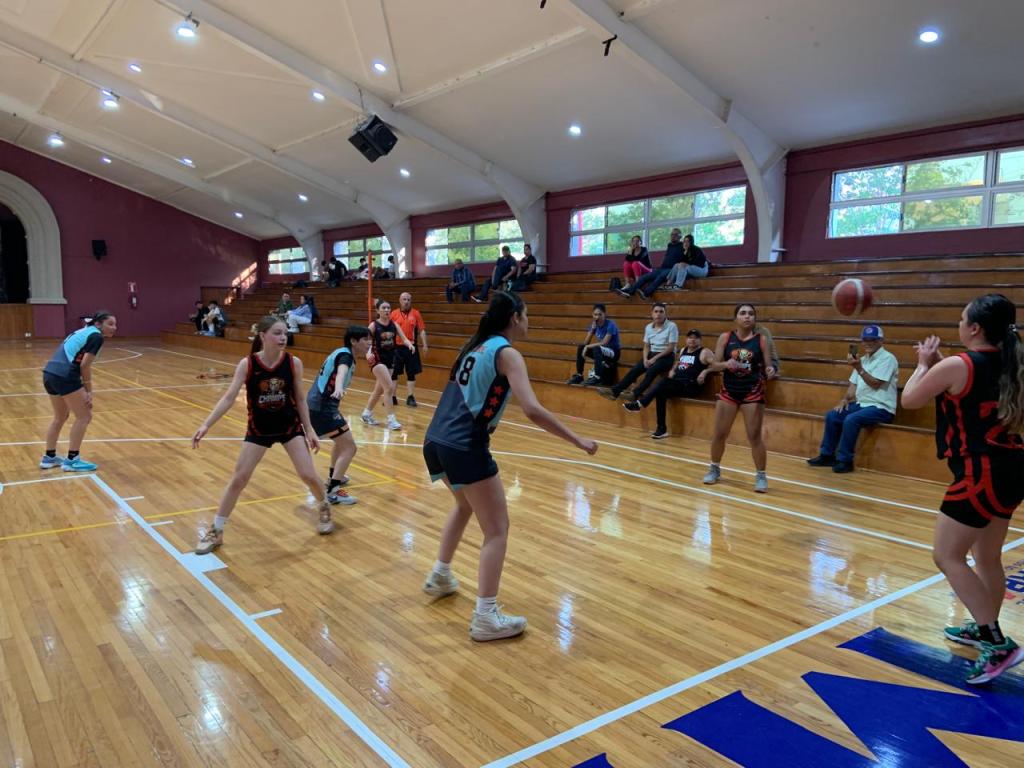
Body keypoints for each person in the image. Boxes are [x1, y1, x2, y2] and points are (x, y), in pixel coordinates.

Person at [421, 291, 598, 641]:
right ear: (515, 317)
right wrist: (576, 439)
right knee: (497, 530)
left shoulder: (474, 347)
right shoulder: (507, 353)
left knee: (463, 505)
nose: (529, 321)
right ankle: (486, 616)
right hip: (465, 445)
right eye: (526, 314)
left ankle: (441, 574)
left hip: (435, 441)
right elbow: (531, 409)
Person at [900, 294, 1024, 684]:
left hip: (980, 472)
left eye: (961, 318)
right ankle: (984, 626)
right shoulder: (1009, 361)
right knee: (987, 558)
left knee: (947, 556)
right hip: (1011, 467)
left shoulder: (958, 364)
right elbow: (964, 388)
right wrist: (938, 367)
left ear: (974, 328)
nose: (958, 324)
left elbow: (910, 399)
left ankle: (997, 644)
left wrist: (923, 365)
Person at [191, 316, 335, 554]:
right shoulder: (247, 364)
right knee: (239, 479)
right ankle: (216, 530)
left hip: (289, 427)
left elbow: (300, 399)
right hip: (259, 429)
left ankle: (324, 506)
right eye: (277, 333)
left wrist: (309, 429)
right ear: (263, 336)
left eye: (285, 333)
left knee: (308, 474)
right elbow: (228, 397)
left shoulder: (293, 363)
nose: (283, 337)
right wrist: (206, 425)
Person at [697, 303, 776, 492]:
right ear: (736, 318)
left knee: (754, 436)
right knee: (719, 434)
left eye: (751, 314)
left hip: (752, 392)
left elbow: (768, 365)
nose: (747, 316)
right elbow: (714, 365)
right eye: (743, 313)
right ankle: (714, 469)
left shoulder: (761, 340)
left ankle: (761, 476)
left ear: (755, 318)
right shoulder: (725, 338)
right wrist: (726, 364)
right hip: (729, 392)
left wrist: (770, 369)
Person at [807, 325, 899, 473]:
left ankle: (845, 461)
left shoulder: (888, 359)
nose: (868, 343)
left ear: (881, 341)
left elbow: (876, 383)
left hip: (881, 407)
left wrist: (859, 368)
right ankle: (827, 455)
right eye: (865, 340)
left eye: (873, 340)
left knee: (851, 419)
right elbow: (853, 386)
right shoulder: (862, 360)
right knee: (833, 415)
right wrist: (844, 399)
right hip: (862, 404)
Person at [39, 311, 118, 472]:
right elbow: (85, 365)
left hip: (50, 374)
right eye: (110, 324)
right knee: (84, 416)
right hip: (65, 376)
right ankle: (72, 460)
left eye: (115, 324)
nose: (114, 328)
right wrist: (89, 391)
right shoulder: (96, 336)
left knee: (60, 417)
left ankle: (49, 457)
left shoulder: (84, 331)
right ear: (98, 324)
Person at [308, 326, 372, 505]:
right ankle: (333, 491)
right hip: (323, 407)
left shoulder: (341, 352)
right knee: (350, 447)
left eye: (370, 340)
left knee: (340, 442)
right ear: (353, 341)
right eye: (365, 339)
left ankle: (335, 476)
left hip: (318, 405)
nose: (369, 343)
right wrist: (338, 388)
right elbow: (341, 372)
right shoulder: (346, 356)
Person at [624, 329, 714, 439]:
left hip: (690, 386)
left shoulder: (704, 352)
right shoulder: (683, 350)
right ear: (686, 339)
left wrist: (705, 372)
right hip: (678, 384)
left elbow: (717, 365)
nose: (693, 340)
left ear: (700, 340)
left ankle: (640, 403)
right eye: (690, 337)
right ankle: (661, 429)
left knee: (664, 382)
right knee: (660, 392)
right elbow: (678, 362)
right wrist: (673, 370)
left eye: (696, 338)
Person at [597, 302, 678, 401]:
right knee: (635, 369)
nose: (658, 314)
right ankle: (615, 392)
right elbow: (646, 346)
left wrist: (653, 359)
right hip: (652, 354)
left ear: (665, 314)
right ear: (652, 314)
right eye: (656, 311)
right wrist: (645, 359)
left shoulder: (672, 326)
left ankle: (635, 394)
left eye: (661, 312)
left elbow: (670, 348)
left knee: (651, 370)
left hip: (667, 356)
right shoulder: (648, 327)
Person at [361, 298, 413, 429]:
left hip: (390, 359)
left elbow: (404, 339)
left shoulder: (394, 324)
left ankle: (366, 414)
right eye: (383, 308)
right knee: (389, 388)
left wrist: (409, 345)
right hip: (377, 359)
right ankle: (391, 420)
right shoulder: (373, 325)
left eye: (388, 308)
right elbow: (364, 340)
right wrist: (368, 353)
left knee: (378, 390)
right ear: (378, 311)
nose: (386, 310)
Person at [619, 228, 685, 299]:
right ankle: (629, 291)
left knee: (660, 277)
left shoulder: (683, 246)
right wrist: (630, 251)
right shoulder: (670, 245)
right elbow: (628, 260)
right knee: (645, 277)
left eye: (675, 234)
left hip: (671, 269)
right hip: (662, 268)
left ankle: (646, 293)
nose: (673, 236)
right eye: (672, 234)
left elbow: (688, 256)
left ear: (680, 236)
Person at [567, 303, 621, 386]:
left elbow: (604, 342)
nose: (597, 317)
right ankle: (579, 375)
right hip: (601, 351)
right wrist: (592, 330)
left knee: (596, 348)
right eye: (595, 314)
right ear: (592, 315)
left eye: (600, 314)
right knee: (581, 347)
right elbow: (585, 343)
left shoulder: (611, 324)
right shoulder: (594, 325)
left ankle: (597, 376)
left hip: (614, 352)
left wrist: (588, 346)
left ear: (604, 314)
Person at [391, 292, 428, 407]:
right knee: (394, 373)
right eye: (404, 299)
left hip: (411, 347)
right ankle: (392, 397)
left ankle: (410, 397)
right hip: (396, 348)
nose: (406, 302)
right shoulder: (394, 314)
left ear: (411, 301)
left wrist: (425, 345)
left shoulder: (416, 313)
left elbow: (422, 330)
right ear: (400, 300)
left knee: (411, 373)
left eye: (408, 299)